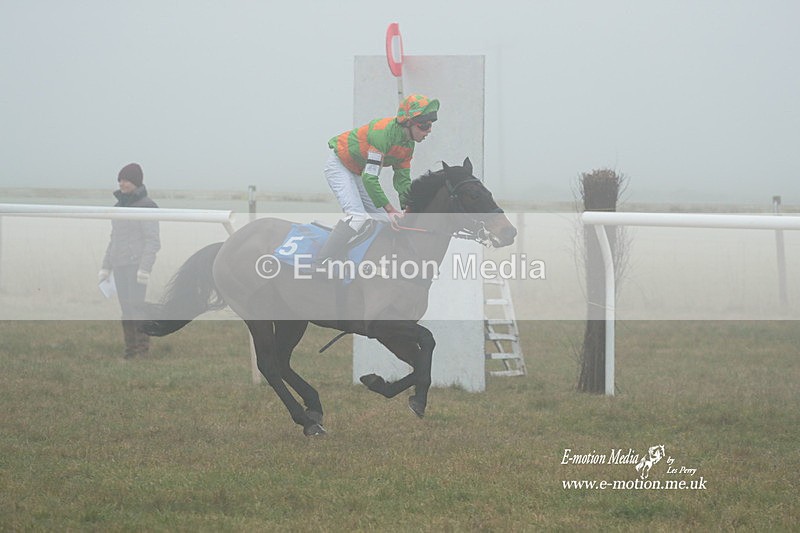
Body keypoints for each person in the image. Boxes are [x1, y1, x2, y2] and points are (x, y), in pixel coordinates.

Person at [317, 93, 440, 262]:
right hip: (340, 165)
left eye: (431, 125)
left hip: (357, 171)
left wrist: (408, 208)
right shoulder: (382, 134)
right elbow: (370, 178)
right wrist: (390, 209)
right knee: (357, 217)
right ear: (409, 123)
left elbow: (402, 180)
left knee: (386, 221)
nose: (429, 130)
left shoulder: (408, 145)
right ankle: (321, 261)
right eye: (424, 125)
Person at [98, 163, 160, 358]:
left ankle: (142, 351)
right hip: (119, 265)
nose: (121, 183)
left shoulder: (147, 206)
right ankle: (130, 351)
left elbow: (153, 241)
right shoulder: (118, 207)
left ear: (135, 181)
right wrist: (106, 266)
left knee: (137, 308)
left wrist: (145, 268)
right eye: (120, 180)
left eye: (125, 179)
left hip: (136, 266)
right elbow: (114, 238)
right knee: (126, 309)